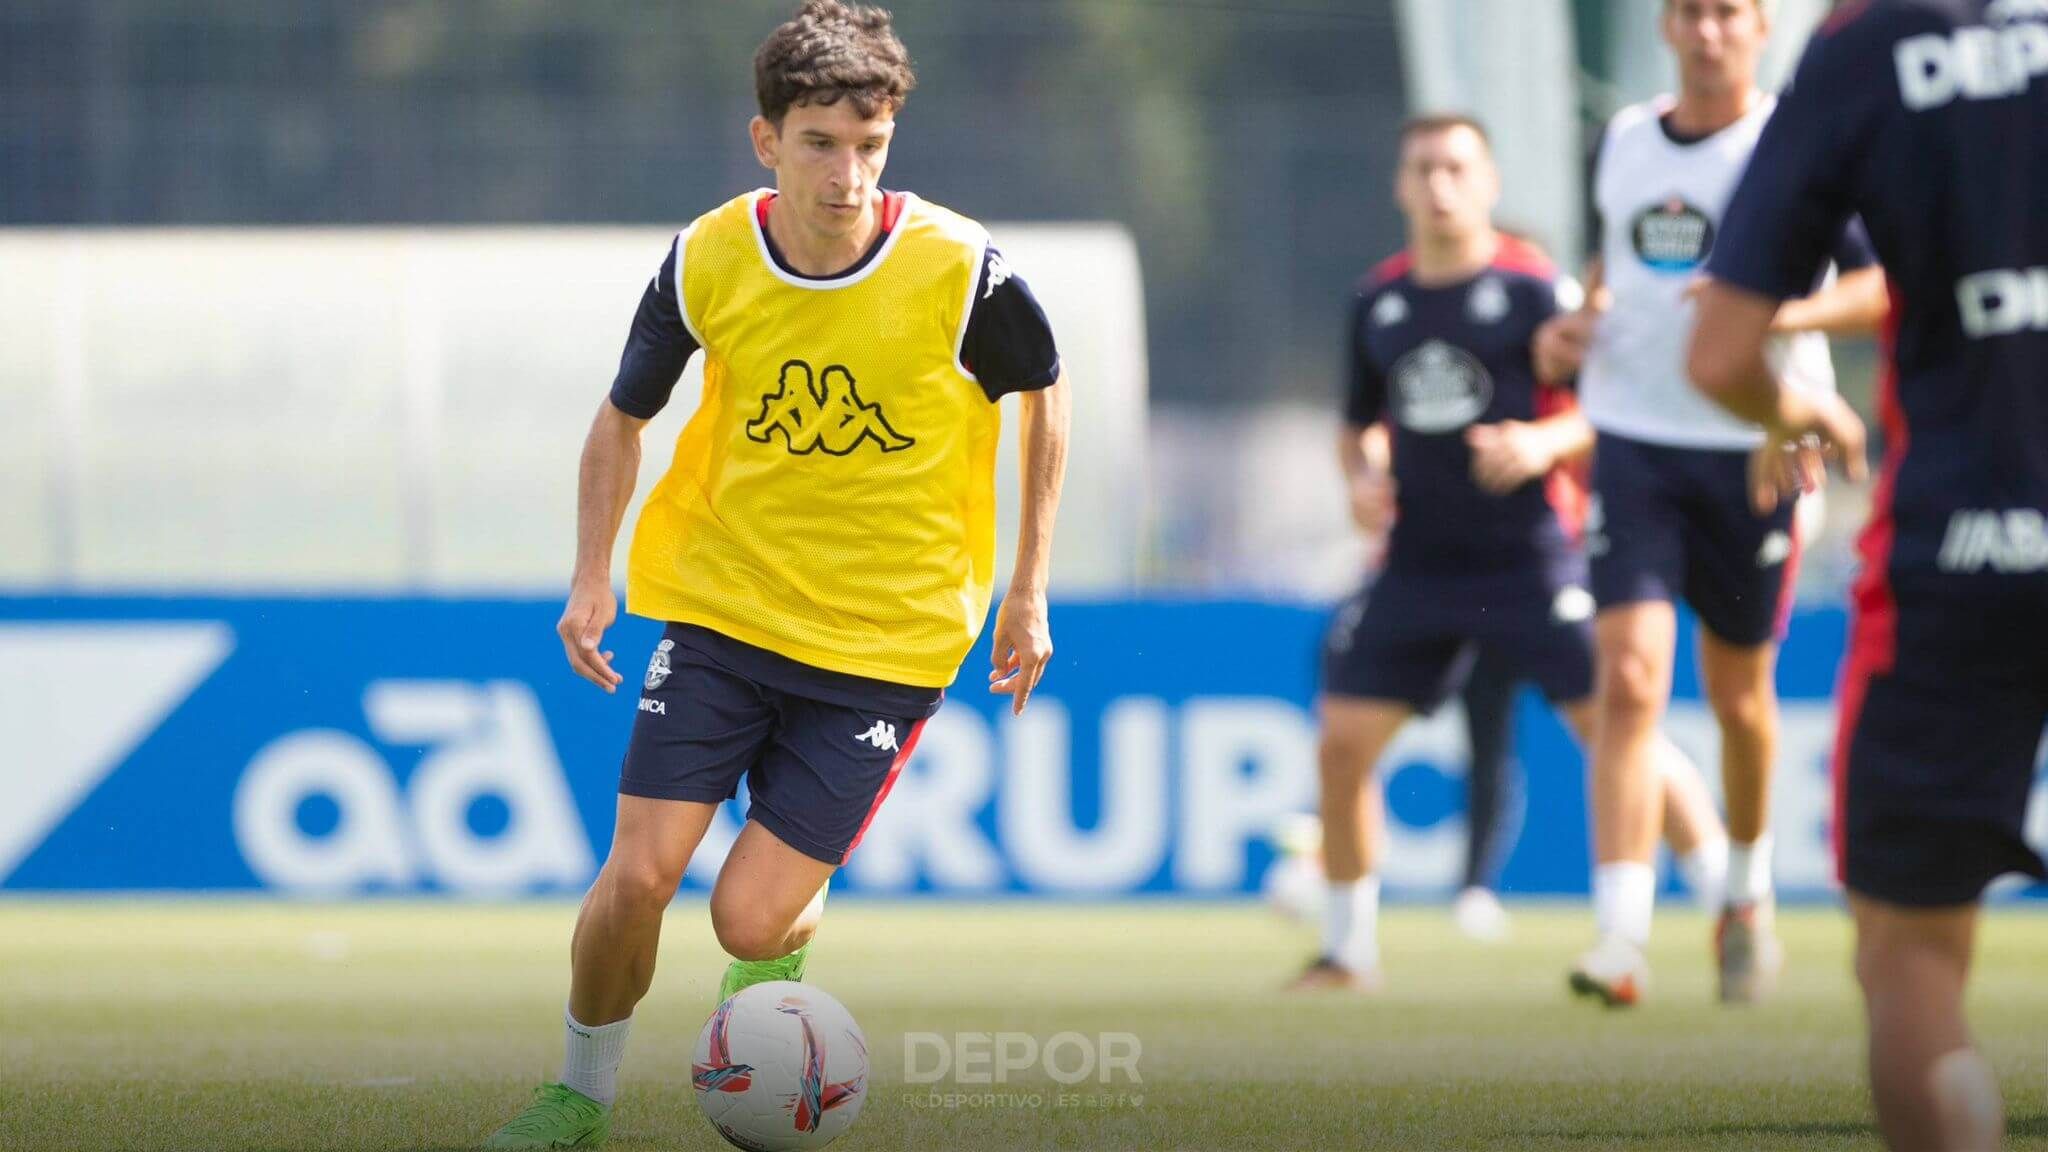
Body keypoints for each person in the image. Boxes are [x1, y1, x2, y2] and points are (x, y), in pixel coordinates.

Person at [484, 3, 1070, 1145]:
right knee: (639, 875)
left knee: (748, 922)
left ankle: (761, 1003)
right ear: (766, 140)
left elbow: (1046, 399)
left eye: (870, 145)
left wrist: (1028, 585)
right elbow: (620, 419)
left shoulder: (962, 270)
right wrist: (590, 574)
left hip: (883, 647)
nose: (847, 173)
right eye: (818, 142)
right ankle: (575, 1096)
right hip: (722, 608)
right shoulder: (707, 256)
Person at [1690, 1, 2045, 1145]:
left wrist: (1788, 409)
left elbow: (1720, 352)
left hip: (1959, 554)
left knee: (1906, 956)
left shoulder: (1860, 47)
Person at [1292, 115, 1726, 992]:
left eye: (1458, 166)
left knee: (1619, 729)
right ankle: (1348, 953)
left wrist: (1543, 444)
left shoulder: (1537, 291)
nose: (1441, 184)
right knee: (1341, 746)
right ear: (1400, 186)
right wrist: (1364, 476)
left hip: (1530, 558)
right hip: (1417, 562)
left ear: (1489, 182)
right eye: (1424, 168)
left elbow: (1610, 406)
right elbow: (1356, 427)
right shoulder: (1377, 302)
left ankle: (1727, 900)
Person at [1537, 0, 1887, 1007]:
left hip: (1753, 448)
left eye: (1726, 13)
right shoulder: (1619, 142)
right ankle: (1620, 938)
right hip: (1635, 445)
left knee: (1738, 701)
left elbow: (1872, 291)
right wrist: (1579, 326)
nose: (1706, 32)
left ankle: (1743, 890)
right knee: (1630, 682)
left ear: (1760, 28)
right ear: (1663, 26)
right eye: (1689, 12)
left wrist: (1778, 315)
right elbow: (1612, 264)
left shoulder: (1797, 142)